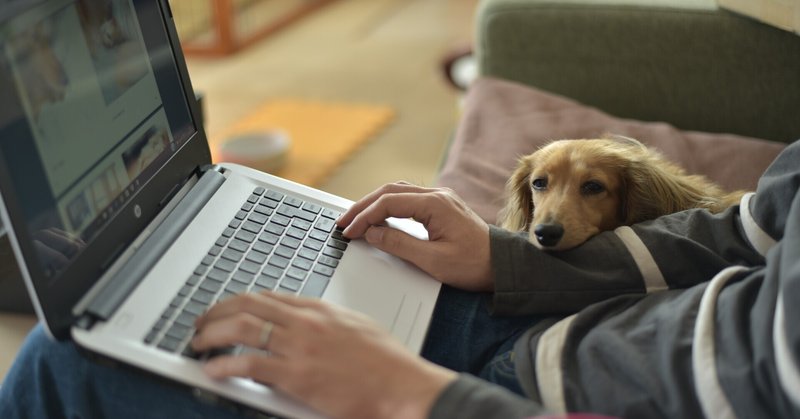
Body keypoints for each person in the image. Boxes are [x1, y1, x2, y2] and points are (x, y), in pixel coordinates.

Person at [1, 140, 799, 419]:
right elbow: (747, 228)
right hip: (567, 320)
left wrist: (413, 397)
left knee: (67, 355)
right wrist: (507, 257)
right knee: (347, 242)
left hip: (529, 391)